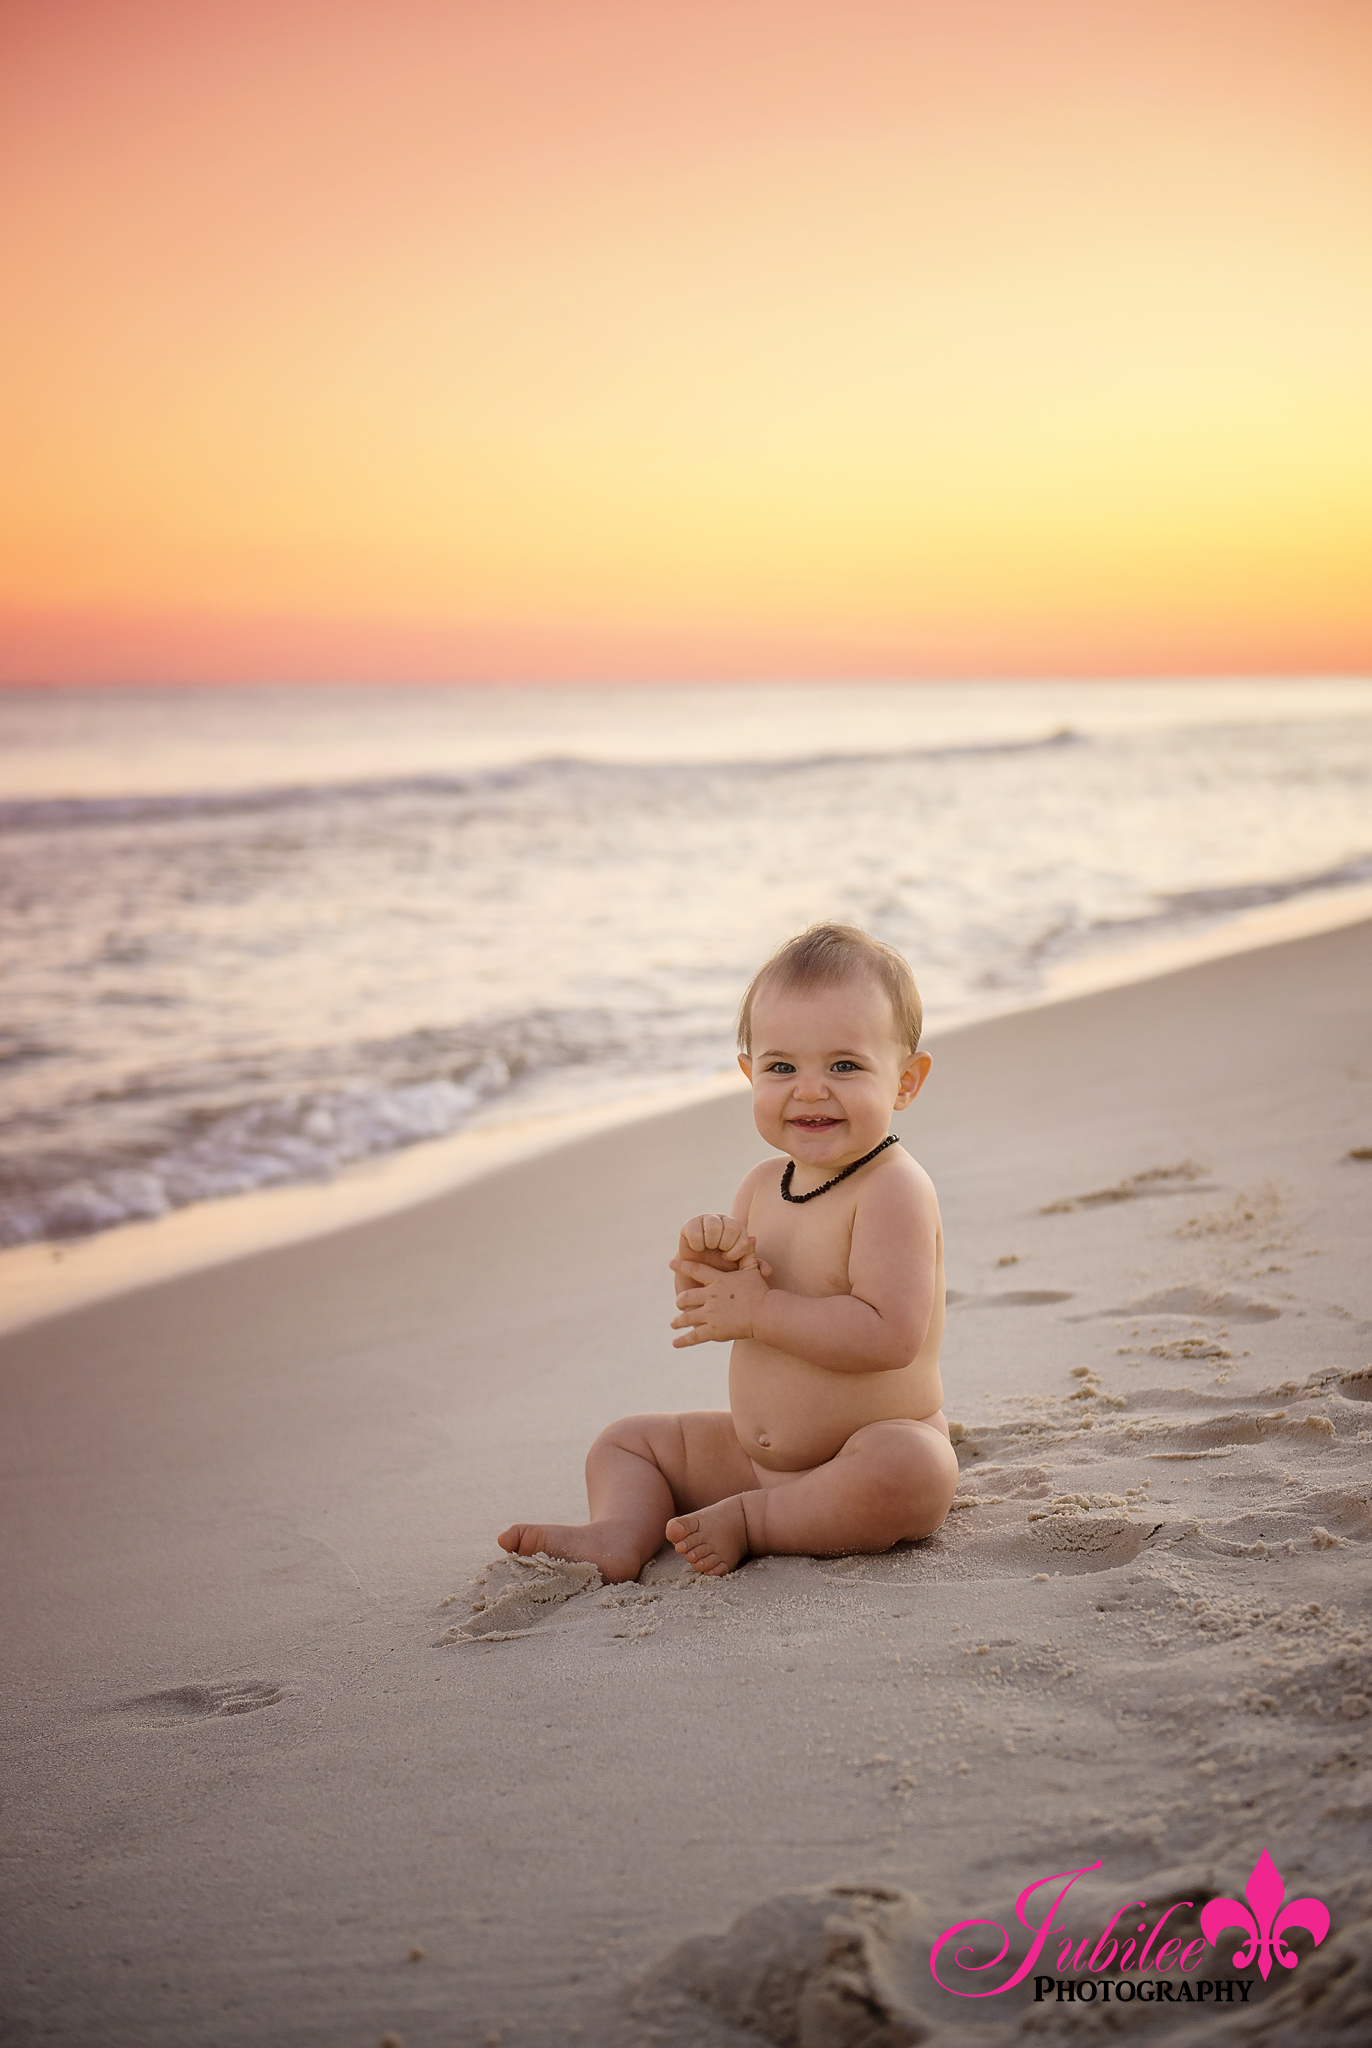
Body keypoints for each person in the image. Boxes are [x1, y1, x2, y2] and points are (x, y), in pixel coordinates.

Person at [498, 923, 959, 1580]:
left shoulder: (893, 1190)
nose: (809, 1088)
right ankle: (618, 1533)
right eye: (781, 1067)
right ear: (749, 1075)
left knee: (917, 1472)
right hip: (752, 1457)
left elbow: (890, 1336)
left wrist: (761, 1312)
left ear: (906, 1083)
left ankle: (758, 1521)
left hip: (864, 1451)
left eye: (844, 1065)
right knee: (626, 1443)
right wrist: (705, 1279)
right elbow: (730, 1309)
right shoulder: (761, 1185)